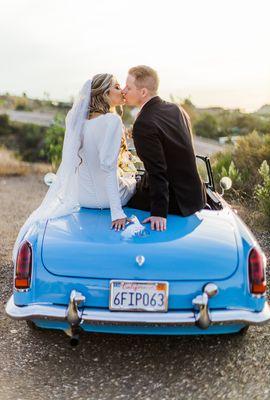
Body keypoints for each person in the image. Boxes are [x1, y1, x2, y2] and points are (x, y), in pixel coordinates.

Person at [12, 74, 136, 263]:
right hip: (110, 199)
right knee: (136, 180)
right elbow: (108, 168)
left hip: (84, 198)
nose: (122, 91)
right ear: (104, 94)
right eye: (117, 87)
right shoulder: (112, 121)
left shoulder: (79, 125)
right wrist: (117, 213)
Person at [123, 65, 207, 232]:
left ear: (143, 92)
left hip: (174, 201)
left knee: (123, 195)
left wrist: (159, 213)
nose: (124, 90)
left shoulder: (144, 123)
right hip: (195, 196)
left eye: (129, 87)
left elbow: (157, 171)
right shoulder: (177, 109)